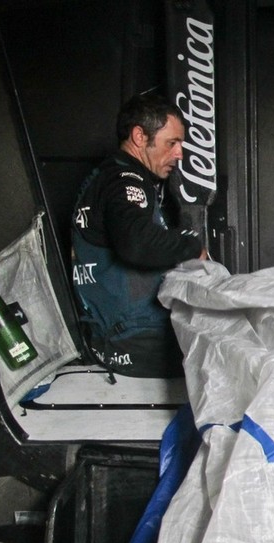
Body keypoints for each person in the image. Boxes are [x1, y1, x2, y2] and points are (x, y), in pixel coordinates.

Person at [71, 92, 208, 378]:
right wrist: (191, 246)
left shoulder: (106, 176)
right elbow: (138, 243)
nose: (179, 154)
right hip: (134, 337)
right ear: (139, 136)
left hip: (114, 333)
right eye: (172, 143)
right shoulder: (125, 181)